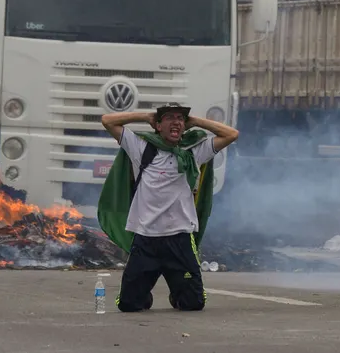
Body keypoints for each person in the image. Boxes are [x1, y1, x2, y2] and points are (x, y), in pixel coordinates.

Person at [99, 103, 239, 312]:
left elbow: (231, 134)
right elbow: (107, 121)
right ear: (158, 125)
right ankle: (143, 295)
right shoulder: (142, 148)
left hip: (180, 238)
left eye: (180, 119)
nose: (176, 122)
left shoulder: (193, 152)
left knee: (194, 304)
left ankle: (178, 294)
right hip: (147, 238)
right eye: (169, 118)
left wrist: (197, 122)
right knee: (128, 305)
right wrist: (145, 116)